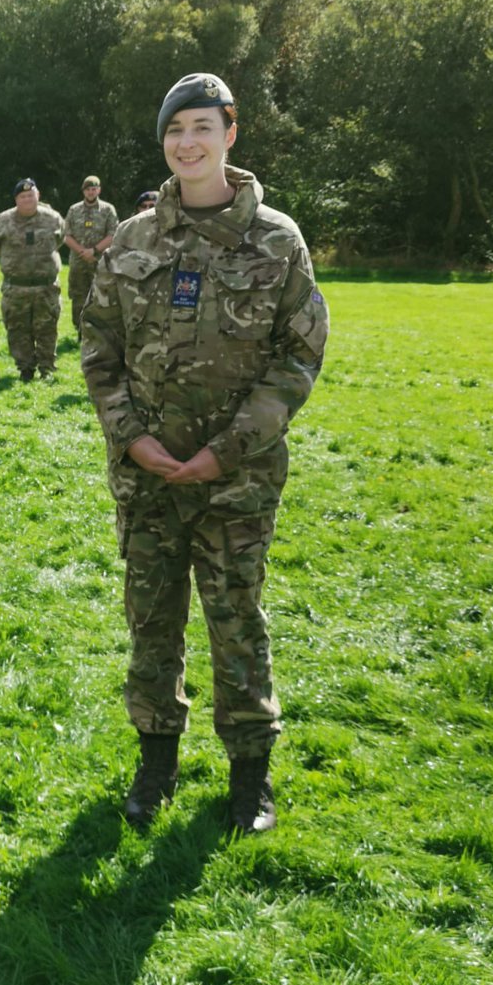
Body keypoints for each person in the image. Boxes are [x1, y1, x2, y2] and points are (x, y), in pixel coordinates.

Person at [81, 73, 329, 834]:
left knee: (236, 621)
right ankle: (156, 761)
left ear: (230, 134)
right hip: (148, 478)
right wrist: (132, 436)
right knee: (151, 622)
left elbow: (299, 356)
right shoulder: (133, 238)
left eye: (201, 128)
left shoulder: (277, 239)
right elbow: (98, 346)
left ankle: (250, 774)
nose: (186, 143)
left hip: (237, 481)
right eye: (174, 130)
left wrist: (228, 450)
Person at [0, 178, 64, 381]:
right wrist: (11, 259)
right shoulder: (3, 221)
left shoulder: (53, 218)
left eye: (31, 195)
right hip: (16, 288)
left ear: (38, 196)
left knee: (47, 329)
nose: (27, 199)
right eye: (23, 196)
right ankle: (25, 369)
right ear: (16, 200)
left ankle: (47, 369)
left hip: (46, 287)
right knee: (17, 330)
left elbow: (60, 239)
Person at [62, 175, 118, 335]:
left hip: (100, 261)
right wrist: (82, 251)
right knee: (78, 296)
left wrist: (93, 251)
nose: (91, 192)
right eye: (88, 189)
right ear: (83, 191)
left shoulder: (108, 210)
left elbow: (113, 234)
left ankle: (99, 333)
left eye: (94, 189)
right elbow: (66, 235)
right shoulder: (74, 210)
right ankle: (79, 331)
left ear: (99, 190)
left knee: (101, 295)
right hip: (78, 262)